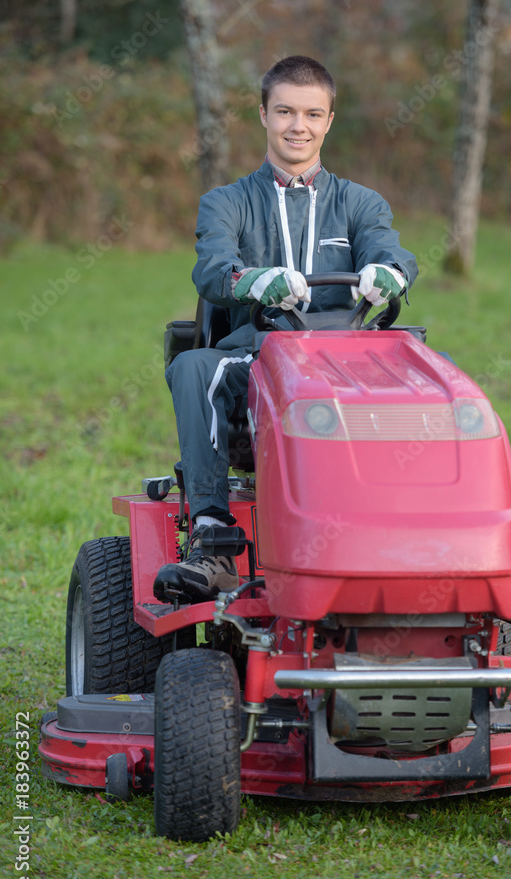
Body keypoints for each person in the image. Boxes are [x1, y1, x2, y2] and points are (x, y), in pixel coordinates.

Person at [154, 55, 418, 604]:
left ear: (329, 121)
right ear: (263, 116)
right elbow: (212, 269)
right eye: (285, 112)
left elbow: (392, 253)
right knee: (193, 365)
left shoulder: (361, 203)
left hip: (342, 365)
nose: (298, 126)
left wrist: (390, 274)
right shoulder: (226, 202)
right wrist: (252, 280)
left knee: (425, 375)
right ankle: (213, 541)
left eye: (312, 114)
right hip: (255, 358)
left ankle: (417, 538)